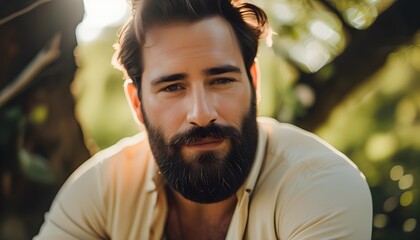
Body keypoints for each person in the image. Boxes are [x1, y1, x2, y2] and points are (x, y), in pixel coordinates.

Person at [35, 0, 372, 239]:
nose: (201, 113)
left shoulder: (320, 187)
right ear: (137, 103)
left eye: (221, 80)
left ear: (253, 84)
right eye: (172, 87)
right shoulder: (100, 188)